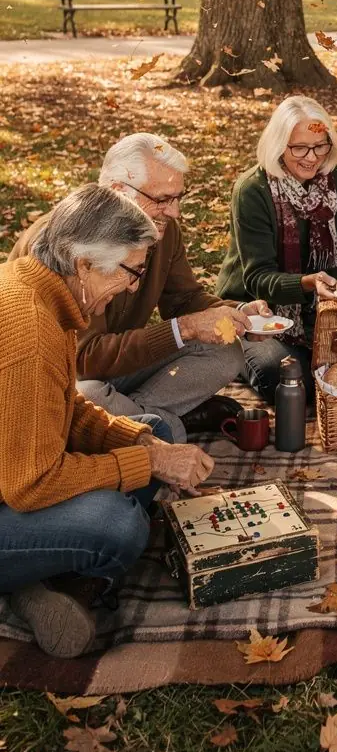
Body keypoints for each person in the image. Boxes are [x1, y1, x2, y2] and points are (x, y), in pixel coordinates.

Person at [1, 185, 214, 657]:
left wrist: (147, 447)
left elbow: (68, 409)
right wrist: (146, 466)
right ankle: (47, 585)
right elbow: (31, 484)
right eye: (131, 271)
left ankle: (42, 582)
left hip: (16, 469)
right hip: (18, 485)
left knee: (151, 430)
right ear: (83, 265)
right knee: (118, 527)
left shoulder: (43, 289)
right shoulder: (32, 332)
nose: (136, 286)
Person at [11, 133, 258, 441]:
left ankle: (139, 421)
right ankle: (169, 424)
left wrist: (238, 313)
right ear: (118, 191)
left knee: (226, 347)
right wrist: (183, 329)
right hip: (73, 380)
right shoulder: (67, 244)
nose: (175, 212)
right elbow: (85, 360)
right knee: (90, 396)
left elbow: (183, 299)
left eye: (179, 197)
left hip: (124, 366)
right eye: (163, 199)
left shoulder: (163, 229)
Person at [217, 96, 337, 401]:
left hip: (315, 305)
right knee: (288, 377)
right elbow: (258, 279)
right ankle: (238, 350)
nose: (311, 157)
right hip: (254, 308)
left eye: (320, 145)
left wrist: (330, 297)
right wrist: (309, 283)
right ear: (279, 145)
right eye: (299, 147)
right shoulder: (253, 190)